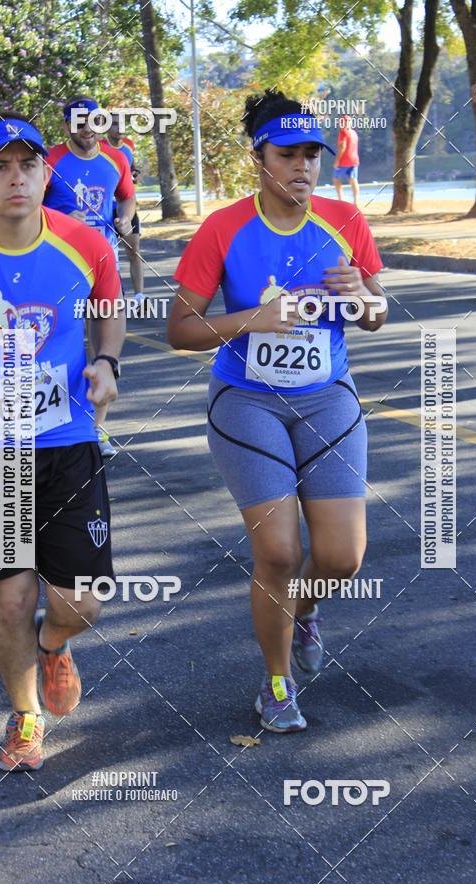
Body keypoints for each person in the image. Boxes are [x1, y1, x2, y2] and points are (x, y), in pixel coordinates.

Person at [168, 88, 386, 734]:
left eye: (311, 155)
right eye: (287, 155)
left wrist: (363, 295)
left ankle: (304, 610)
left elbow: (376, 316)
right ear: (258, 159)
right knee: (280, 552)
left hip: (327, 397)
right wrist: (250, 320)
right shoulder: (224, 228)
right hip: (247, 401)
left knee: (342, 557)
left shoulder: (345, 221)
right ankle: (276, 683)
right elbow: (180, 328)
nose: (302, 167)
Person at [0, 112, 125, 771]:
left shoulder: (86, 243)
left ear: (45, 173)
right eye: (0, 166)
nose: (17, 177)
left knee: (81, 603)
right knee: (11, 596)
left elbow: (108, 314)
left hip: (66, 440)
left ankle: (54, 644)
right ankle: (25, 714)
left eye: (28, 164)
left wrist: (107, 363)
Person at [44, 95, 135, 457]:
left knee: (103, 349)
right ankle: (51, 423)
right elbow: (30, 205)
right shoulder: (50, 160)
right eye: (79, 122)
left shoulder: (116, 159)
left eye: (93, 121)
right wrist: (60, 221)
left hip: (103, 264)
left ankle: (95, 429)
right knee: (57, 343)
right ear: (66, 125)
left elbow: (126, 197)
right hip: (59, 265)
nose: (87, 129)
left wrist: (125, 217)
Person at [105, 112, 148, 311]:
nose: (119, 128)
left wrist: (135, 174)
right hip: (106, 209)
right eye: (114, 124)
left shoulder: (128, 146)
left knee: (134, 250)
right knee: (106, 256)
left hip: (127, 208)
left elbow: (130, 170)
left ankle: (139, 297)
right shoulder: (99, 148)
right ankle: (113, 296)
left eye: (122, 124)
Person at [332, 116, 360, 208]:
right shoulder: (354, 133)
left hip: (344, 161)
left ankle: (340, 200)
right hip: (354, 160)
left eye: (341, 123)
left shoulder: (343, 132)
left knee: (336, 179)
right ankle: (356, 201)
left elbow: (342, 147)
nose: (340, 125)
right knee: (353, 180)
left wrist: (337, 161)